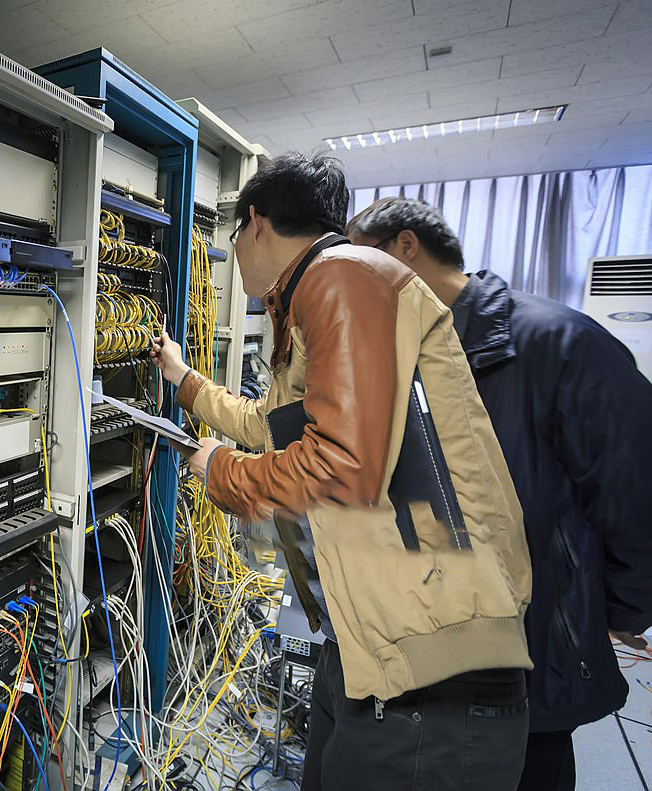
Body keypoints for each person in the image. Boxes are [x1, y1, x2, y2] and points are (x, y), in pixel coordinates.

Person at [152, 152, 533, 790]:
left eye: (234, 236)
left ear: (256, 223)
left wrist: (220, 473)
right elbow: (271, 424)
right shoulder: (321, 297)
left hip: (430, 683)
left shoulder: (345, 277)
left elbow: (342, 468)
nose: (237, 251)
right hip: (370, 656)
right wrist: (184, 382)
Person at [346, 197, 652, 791]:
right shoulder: (413, 355)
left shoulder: (558, 345)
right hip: (441, 661)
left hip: (531, 657)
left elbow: (636, 495)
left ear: (404, 250)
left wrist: (611, 610)